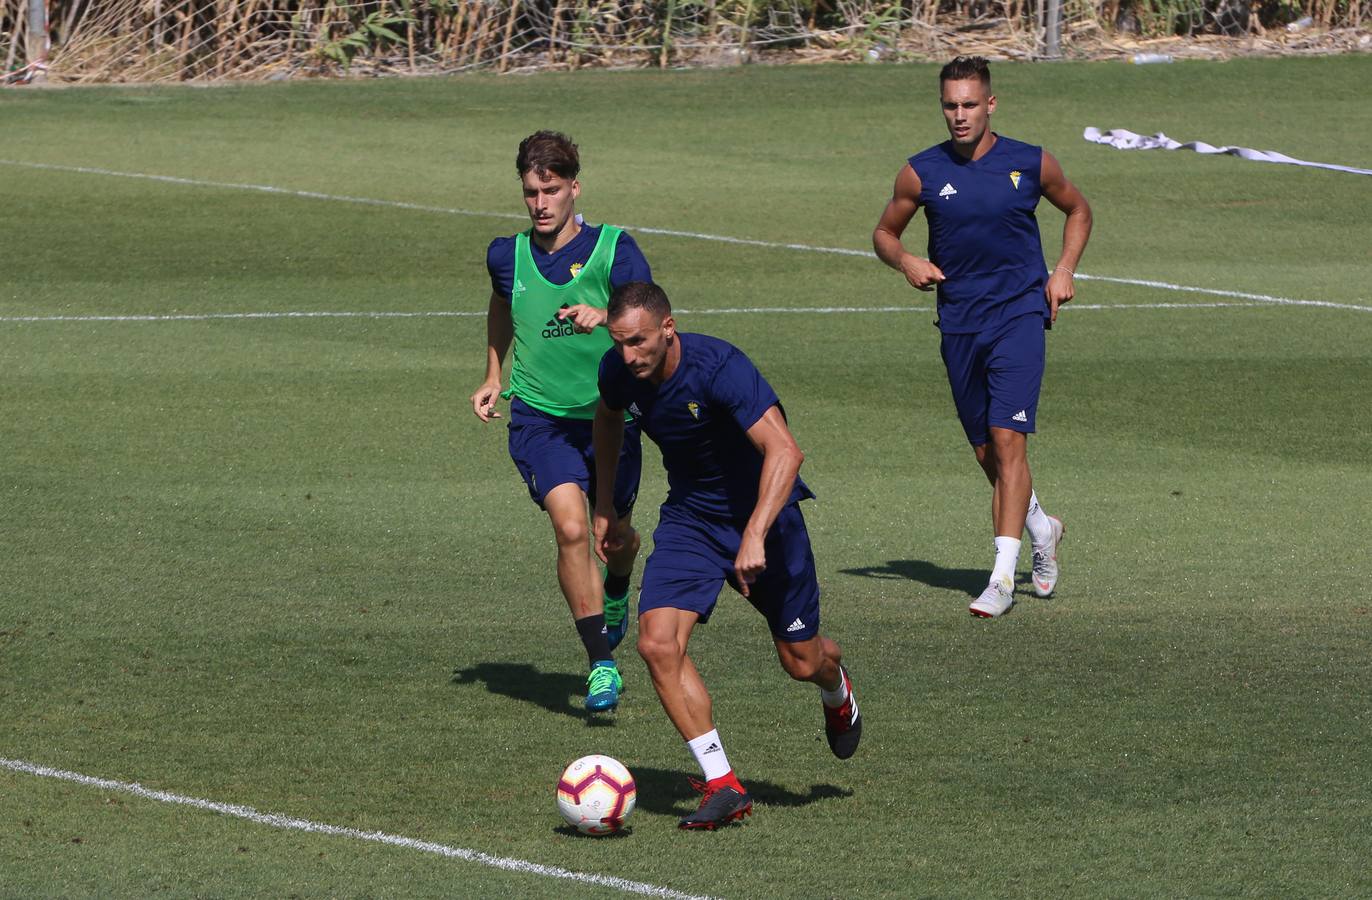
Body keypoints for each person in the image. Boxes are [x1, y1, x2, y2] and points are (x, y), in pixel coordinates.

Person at [591, 282, 861, 831]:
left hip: (767, 518)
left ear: (669, 329)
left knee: (801, 661)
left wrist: (756, 533)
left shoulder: (720, 368)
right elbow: (607, 421)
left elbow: (786, 450)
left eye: (639, 342)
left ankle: (837, 688)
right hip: (692, 520)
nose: (629, 355)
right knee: (656, 642)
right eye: (619, 342)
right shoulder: (619, 371)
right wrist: (606, 507)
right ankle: (723, 783)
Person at [872, 56, 1093, 619]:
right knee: (985, 451)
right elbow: (884, 232)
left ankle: (1001, 577)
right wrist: (905, 261)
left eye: (970, 104)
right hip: (959, 324)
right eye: (951, 105)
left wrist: (1063, 270)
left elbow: (1078, 209)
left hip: (1020, 315)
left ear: (990, 104)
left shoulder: (1030, 161)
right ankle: (1043, 527)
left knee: (1008, 439)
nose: (960, 115)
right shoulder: (920, 172)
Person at [469, 131, 653, 710]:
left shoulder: (615, 250)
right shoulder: (506, 255)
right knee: (572, 528)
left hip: (610, 419)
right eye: (531, 193)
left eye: (551, 190)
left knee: (615, 538)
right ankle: (600, 663)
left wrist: (605, 317)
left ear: (575, 187)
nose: (541, 204)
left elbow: (652, 325)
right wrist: (494, 374)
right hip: (540, 419)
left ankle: (619, 588)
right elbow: (503, 305)